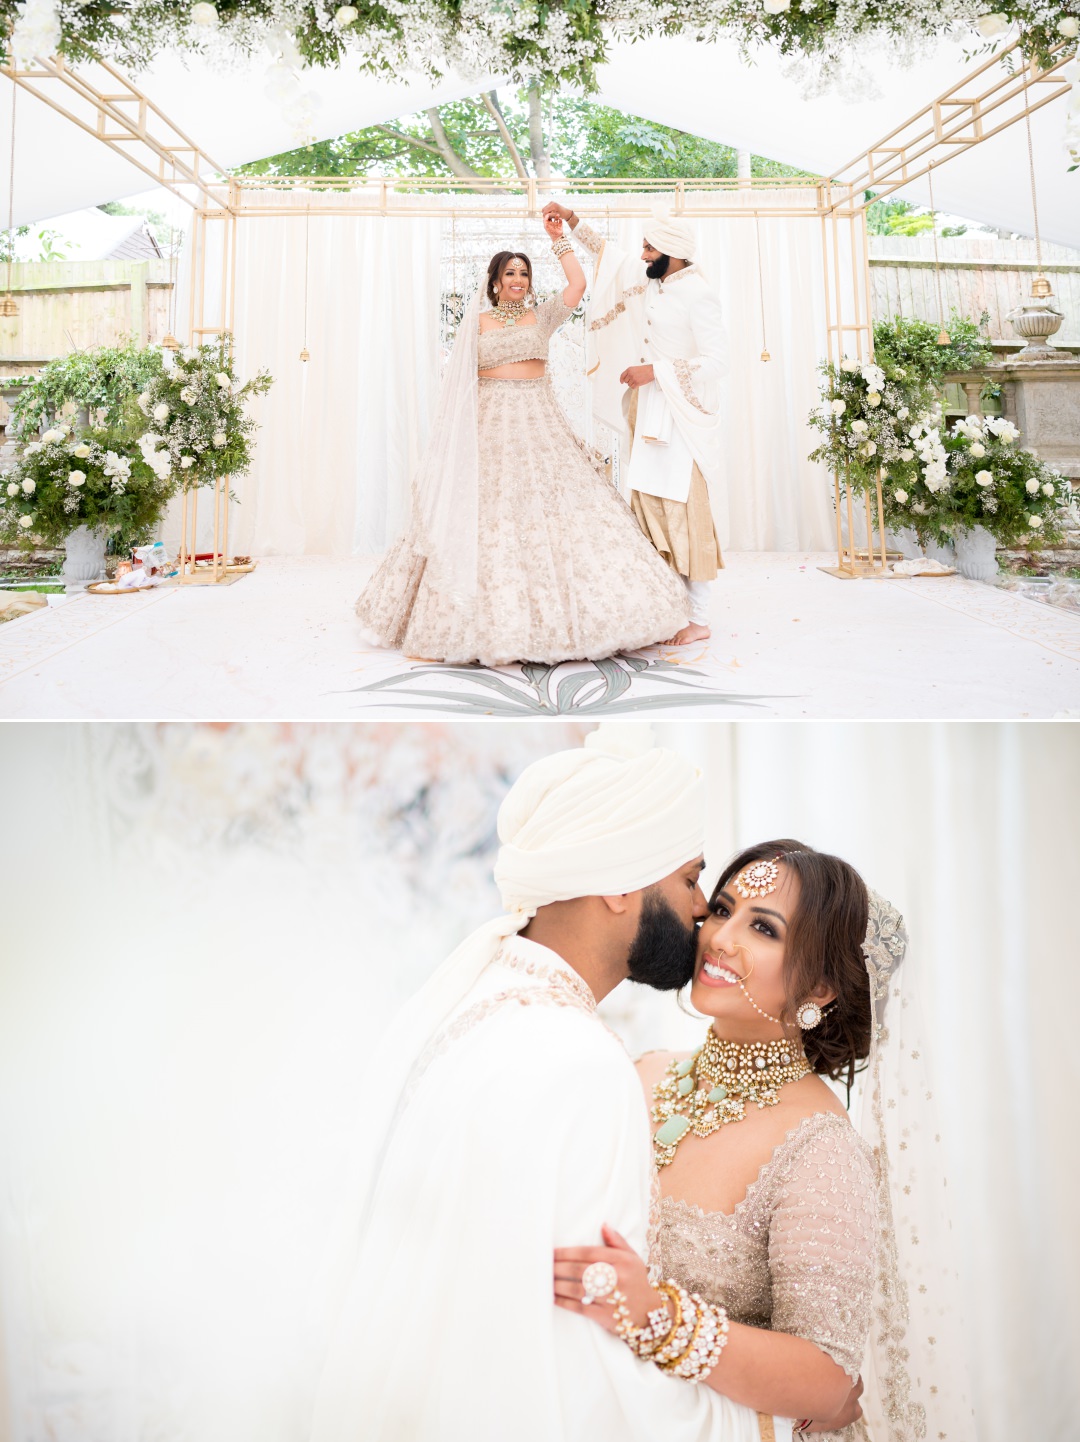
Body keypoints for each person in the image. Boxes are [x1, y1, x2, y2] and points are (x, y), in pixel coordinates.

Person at [307, 727, 815, 1442]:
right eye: (692, 879)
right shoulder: (583, 1065)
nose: (702, 910)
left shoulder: (471, 998)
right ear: (618, 884)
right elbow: (576, 1370)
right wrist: (761, 1422)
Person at [553, 841, 976, 1442]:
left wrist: (655, 1316)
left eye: (763, 929)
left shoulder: (819, 1148)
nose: (719, 938)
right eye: (721, 910)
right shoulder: (639, 1072)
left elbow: (827, 1382)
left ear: (823, 988)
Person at [354, 216, 690, 666]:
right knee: (489, 513)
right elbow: (457, 388)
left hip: (539, 419)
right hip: (491, 424)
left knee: (556, 511)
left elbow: (578, 283)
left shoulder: (542, 315)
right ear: (494, 281)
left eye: (524, 273)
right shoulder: (476, 322)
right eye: (510, 273)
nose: (518, 280)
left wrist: (559, 241)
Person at [542, 201, 727, 648]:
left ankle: (698, 617)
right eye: (643, 247)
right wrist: (569, 221)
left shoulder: (697, 293)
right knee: (647, 505)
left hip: (680, 415)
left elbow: (716, 362)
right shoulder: (655, 284)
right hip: (646, 410)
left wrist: (656, 372)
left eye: (649, 248)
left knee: (682, 509)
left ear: (672, 252)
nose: (642, 255)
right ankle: (667, 606)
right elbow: (608, 256)